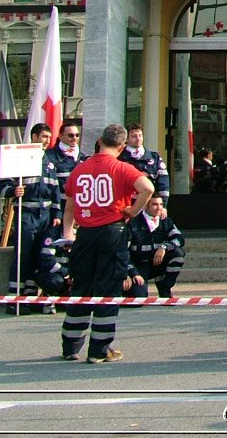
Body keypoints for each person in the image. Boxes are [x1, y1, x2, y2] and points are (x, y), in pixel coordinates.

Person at [59, 123, 153, 363]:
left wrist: (68, 233)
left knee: (81, 288)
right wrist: (132, 210)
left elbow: (69, 206)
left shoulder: (79, 170)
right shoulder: (122, 168)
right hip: (112, 231)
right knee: (107, 290)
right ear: (122, 146)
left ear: (100, 141)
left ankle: (70, 345)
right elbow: (148, 188)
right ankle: (99, 349)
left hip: (85, 234)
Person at [0, 124, 58, 313]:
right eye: (44, 136)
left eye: (49, 137)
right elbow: (2, 186)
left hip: (46, 216)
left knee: (40, 256)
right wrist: (13, 191)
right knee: (22, 256)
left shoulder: (49, 160)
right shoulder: (20, 157)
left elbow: (55, 190)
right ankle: (14, 298)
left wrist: (56, 214)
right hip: (27, 213)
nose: (47, 140)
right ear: (34, 136)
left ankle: (30, 295)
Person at [125, 192, 186, 298]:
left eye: (161, 204)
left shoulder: (165, 221)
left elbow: (179, 239)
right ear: (145, 205)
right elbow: (124, 251)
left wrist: (164, 247)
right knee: (138, 299)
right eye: (154, 204)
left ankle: (165, 287)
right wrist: (132, 273)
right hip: (139, 266)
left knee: (178, 253)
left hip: (157, 263)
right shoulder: (133, 223)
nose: (159, 208)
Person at [44, 121, 88, 222]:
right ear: (60, 136)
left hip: (78, 208)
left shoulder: (82, 157)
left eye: (77, 135)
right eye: (70, 135)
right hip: (57, 209)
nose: (74, 138)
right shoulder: (49, 156)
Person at [120, 123, 170, 206]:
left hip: (150, 206)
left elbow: (164, 182)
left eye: (140, 135)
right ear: (126, 139)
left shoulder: (154, 157)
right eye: (134, 136)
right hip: (128, 205)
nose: (138, 139)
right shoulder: (120, 158)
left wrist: (163, 206)